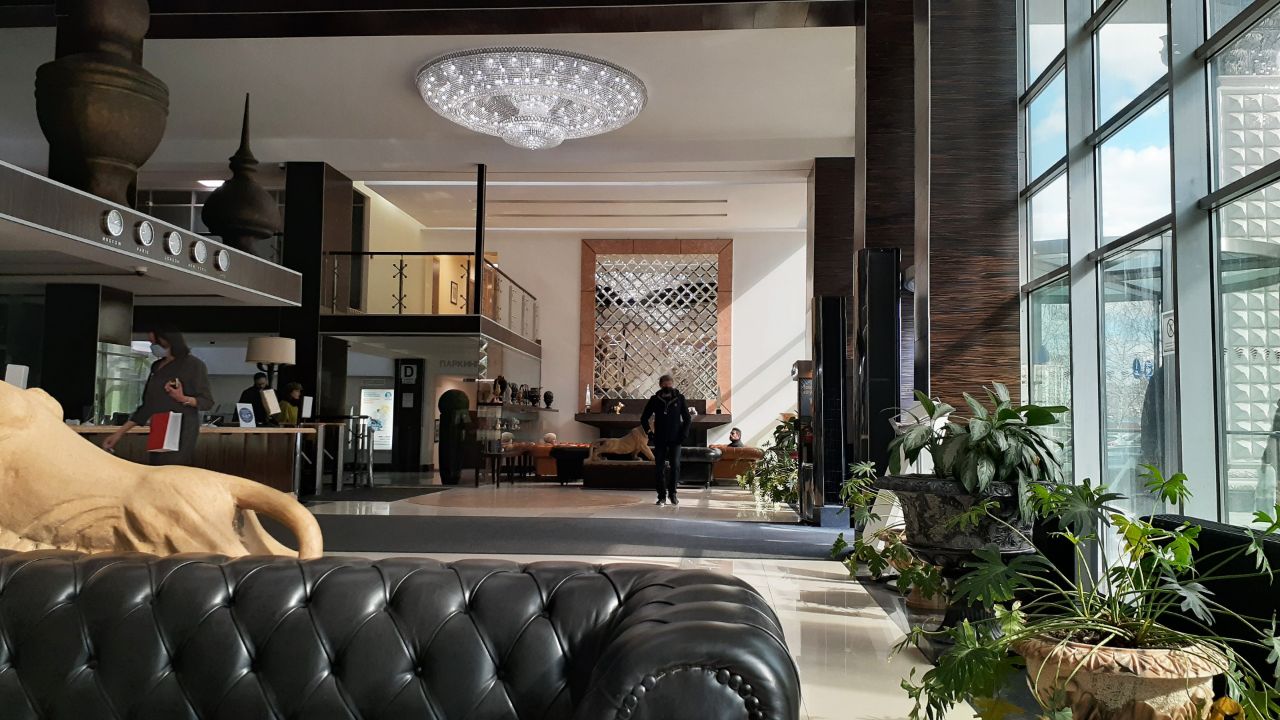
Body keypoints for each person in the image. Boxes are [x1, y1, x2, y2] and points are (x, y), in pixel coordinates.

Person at [102, 329, 214, 466]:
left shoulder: (194, 365)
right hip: (159, 425)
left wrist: (183, 398)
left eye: (154, 342)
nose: (152, 346)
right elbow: (147, 406)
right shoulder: (156, 366)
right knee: (156, 466)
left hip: (182, 428)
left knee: (173, 467)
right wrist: (118, 434)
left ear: (166, 340)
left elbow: (207, 401)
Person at [641, 374, 691, 506]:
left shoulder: (680, 398)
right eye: (665, 384)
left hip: (676, 439)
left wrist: (684, 434)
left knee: (675, 466)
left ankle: (673, 494)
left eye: (669, 384)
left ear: (673, 384)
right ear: (660, 385)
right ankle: (661, 496)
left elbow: (687, 418)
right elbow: (644, 418)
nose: (667, 386)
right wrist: (649, 433)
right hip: (659, 438)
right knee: (659, 468)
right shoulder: (654, 399)